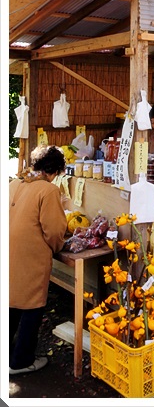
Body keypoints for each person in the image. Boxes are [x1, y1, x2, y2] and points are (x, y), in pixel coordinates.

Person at [9, 145, 68, 374]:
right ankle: (21, 362)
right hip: (31, 254)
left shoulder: (16, 183)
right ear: (54, 171)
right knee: (32, 305)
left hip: (10, 251)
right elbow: (54, 231)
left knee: (12, 302)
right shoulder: (48, 190)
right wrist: (58, 247)